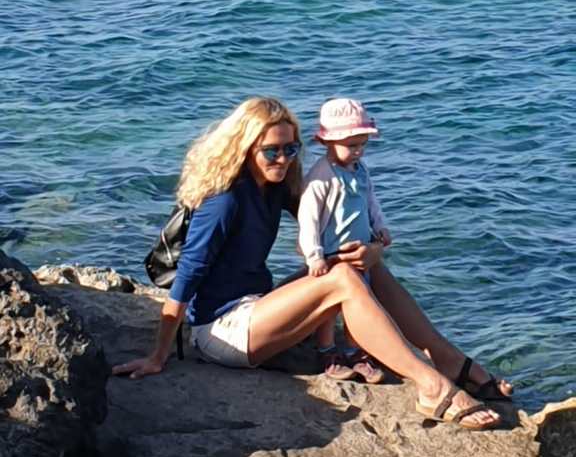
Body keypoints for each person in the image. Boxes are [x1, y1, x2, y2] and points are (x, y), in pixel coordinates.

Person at [113, 96, 511, 430]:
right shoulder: (224, 201)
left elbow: (333, 223)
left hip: (259, 307)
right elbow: (188, 276)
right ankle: (431, 385)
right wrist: (158, 355)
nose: (283, 159)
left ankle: (447, 359)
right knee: (341, 279)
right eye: (272, 150)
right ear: (245, 149)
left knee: (361, 266)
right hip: (222, 331)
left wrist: (373, 248)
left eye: (291, 149)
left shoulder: (274, 186)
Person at [298, 97, 392, 383]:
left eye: (363, 144)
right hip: (331, 253)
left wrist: (380, 226)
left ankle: (355, 350)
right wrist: (314, 256)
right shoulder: (321, 176)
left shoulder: (360, 170)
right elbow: (309, 219)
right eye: (351, 145)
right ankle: (327, 351)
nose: (358, 151)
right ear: (326, 142)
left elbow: (369, 201)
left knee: (358, 301)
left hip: (358, 250)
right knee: (329, 307)